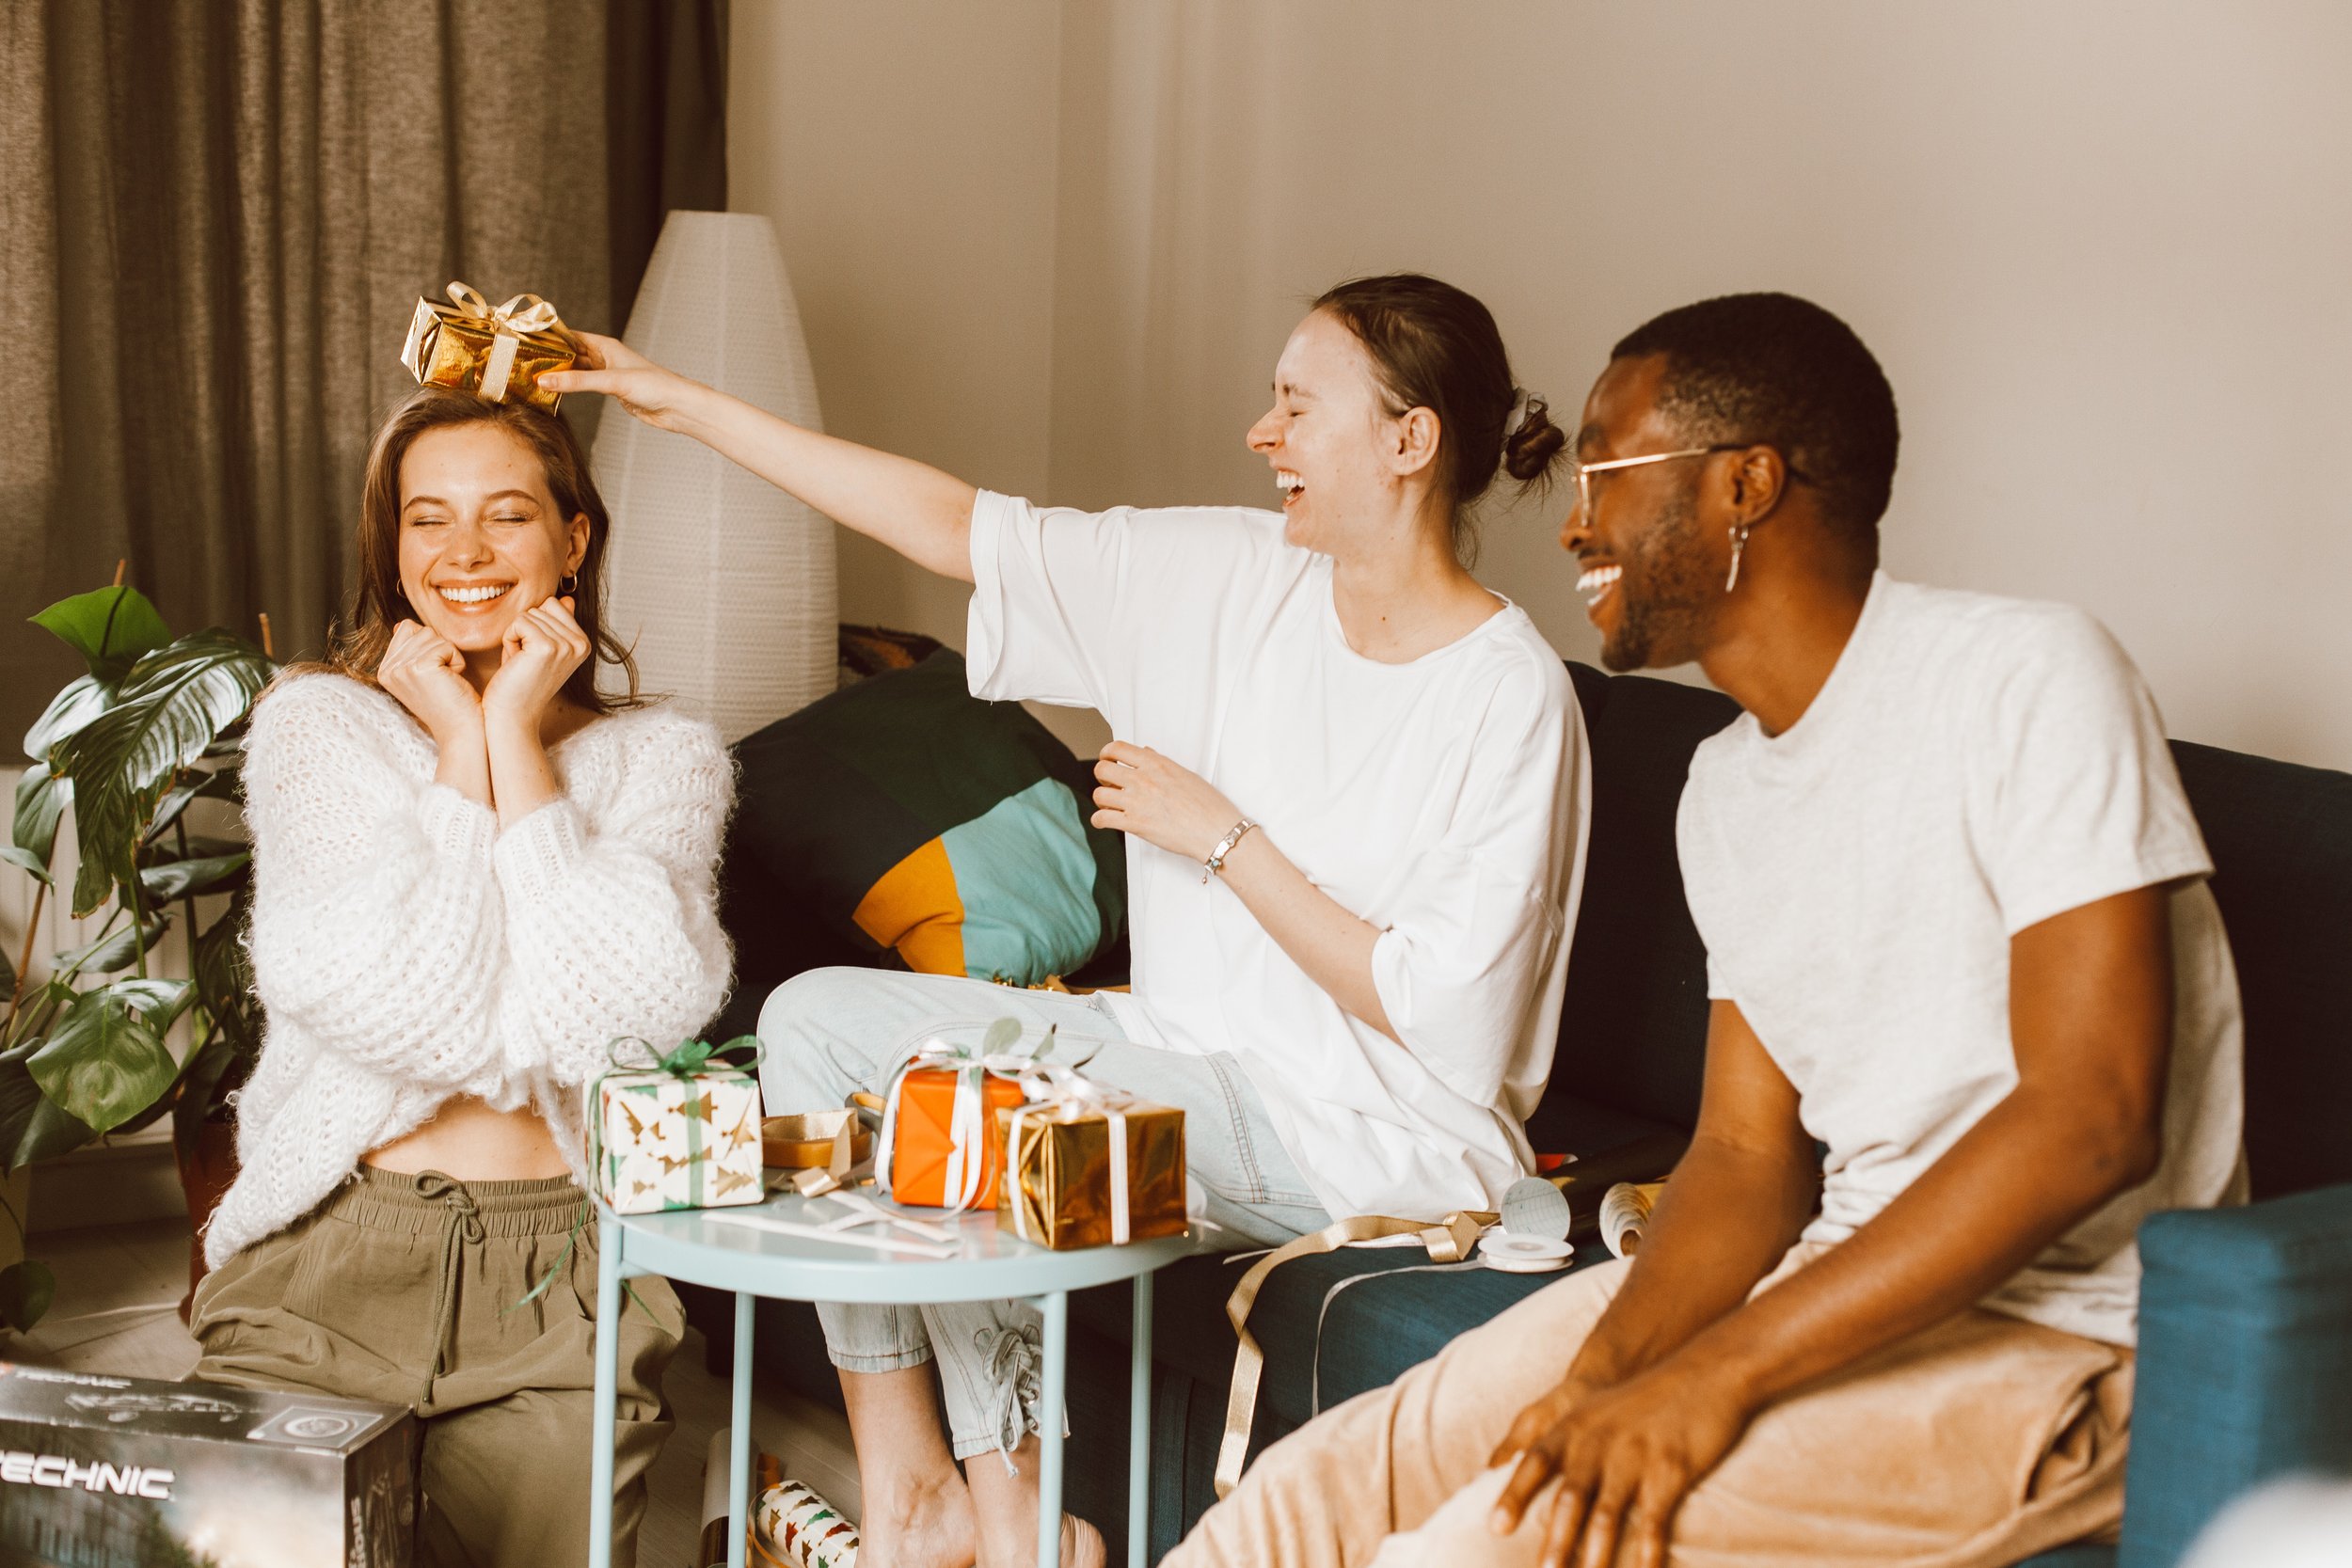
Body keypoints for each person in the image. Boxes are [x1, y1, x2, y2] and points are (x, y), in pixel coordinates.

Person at [1167, 293, 2246, 1568]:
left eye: (1609, 472)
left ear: (1745, 484)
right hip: (1822, 1285)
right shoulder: (1725, 788)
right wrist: (1604, 1370)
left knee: (1484, 1544)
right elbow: (1743, 1152)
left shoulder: (2032, 679)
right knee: (1323, 1487)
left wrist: (1711, 1376)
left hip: (2065, 1340)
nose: (1573, 521)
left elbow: (2092, 1116)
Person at [545, 272, 1592, 1568]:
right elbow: (949, 524)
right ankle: (922, 1493)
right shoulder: (1224, 574)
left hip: (1361, 1131)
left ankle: (1032, 1525)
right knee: (813, 1025)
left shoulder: (1509, 695)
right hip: (1173, 1054)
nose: (1262, 435)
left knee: (983, 1117)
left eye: (1295, 406)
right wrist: (675, 402)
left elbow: (1444, 1013)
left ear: (1407, 439)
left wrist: (1223, 838)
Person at [189, 388, 735, 1568]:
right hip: (326, 1256)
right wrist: (452, 747)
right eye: (428, 520)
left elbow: (634, 1024)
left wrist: (515, 741)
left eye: (507, 514)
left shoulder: (664, 758)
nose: (466, 553)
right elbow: (398, 1004)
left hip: (562, 1280)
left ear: (573, 537)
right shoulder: (317, 727)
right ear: (393, 545)